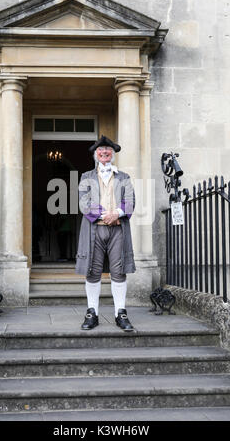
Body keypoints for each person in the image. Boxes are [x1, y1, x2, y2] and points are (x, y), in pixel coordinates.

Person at [75, 135, 136, 332]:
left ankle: (121, 313)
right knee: (93, 271)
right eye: (100, 150)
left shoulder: (124, 177)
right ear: (95, 155)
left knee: (119, 271)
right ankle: (92, 312)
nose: (104, 152)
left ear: (113, 154)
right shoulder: (86, 177)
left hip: (118, 230)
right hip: (95, 230)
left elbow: (130, 201)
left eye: (108, 150)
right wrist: (107, 215)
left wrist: (117, 214)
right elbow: (84, 203)